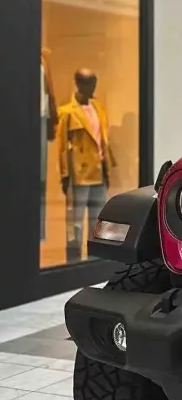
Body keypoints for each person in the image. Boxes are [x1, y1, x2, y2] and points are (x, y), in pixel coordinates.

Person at [56, 69, 114, 261]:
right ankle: (72, 262)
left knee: (97, 220)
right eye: (90, 84)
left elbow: (103, 140)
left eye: (94, 84)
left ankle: (95, 260)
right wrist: (65, 174)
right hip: (79, 174)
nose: (93, 88)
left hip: (99, 170)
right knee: (76, 222)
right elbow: (62, 146)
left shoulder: (99, 108)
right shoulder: (67, 113)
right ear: (79, 84)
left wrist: (108, 168)